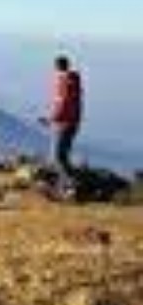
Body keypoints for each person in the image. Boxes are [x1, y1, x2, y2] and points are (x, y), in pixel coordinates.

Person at [44, 55, 84, 199]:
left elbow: (62, 104)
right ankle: (64, 189)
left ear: (57, 67)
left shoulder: (64, 82)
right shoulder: (74, 81)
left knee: (57, 156)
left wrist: (51, 119)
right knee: (64, 156)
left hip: (63, 124)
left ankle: (71, 185)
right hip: (73, 123)